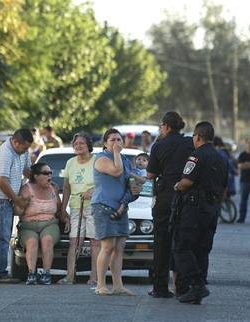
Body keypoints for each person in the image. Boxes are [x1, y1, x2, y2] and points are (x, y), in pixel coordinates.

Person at [173, 121, 228, 304]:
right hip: (212, 208)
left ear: (197, 137)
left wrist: (178, 185)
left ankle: (197, 285)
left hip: (194, 208)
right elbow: (224, 188)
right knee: (202, 249)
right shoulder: (222, 158)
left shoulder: (196, 156)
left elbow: (187, 181)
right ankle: (197, 292)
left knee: (182, 246)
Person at [146, 112, 194, 298]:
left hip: (165, 197)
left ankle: (160, 287)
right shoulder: (189, 144)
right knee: (182, 242)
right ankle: (182, 286)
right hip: (185, 196)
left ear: (165, 126)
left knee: (161, 242)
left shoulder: (159, 146)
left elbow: (150, 174)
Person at [91, 128, 140, 296]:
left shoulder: (125, 159)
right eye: (112, 140)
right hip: (103, 206)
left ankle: (118, 285)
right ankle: (100, 285)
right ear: (105, 143)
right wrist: (116, 153)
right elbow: (116, 171)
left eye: (119, 140)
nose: (117, 143)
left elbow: (130, 181)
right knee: (107, 247)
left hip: (120, 207)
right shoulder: (102, 158)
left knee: (119, 247)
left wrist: (139, 182)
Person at [0, 128, 33, 284]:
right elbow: (2, 181)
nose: (26, 151)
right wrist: (16, 199)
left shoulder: (22, 152)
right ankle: (0, 273)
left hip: (8, 199)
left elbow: (26, 171)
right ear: (15, 142)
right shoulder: (6, 153)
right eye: (24, 148)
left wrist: (39, 181)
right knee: (2, 237)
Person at [14, 163, 70, 285]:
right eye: (45, 173)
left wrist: (66, 219)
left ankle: (46, 273)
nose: (49, 176)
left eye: (50, 173)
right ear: (36, 176)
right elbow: (17, 211)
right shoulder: (26, 189)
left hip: (49, 224)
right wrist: (23, 203)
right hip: (28, 225)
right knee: (32, 242)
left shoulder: (53, 188)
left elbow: (59, 210)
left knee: (47, 240)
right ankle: (32, 273)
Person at [57, 133, 99, 286]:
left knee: (95, 242)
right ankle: (70, 276)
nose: (78, 146)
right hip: (76, 207)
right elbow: (66, 187)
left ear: (88, 145)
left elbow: (104, 182)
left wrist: (92, 191)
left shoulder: (97, 161)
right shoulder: (70, 163)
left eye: (82, 143)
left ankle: (94, 277)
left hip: (94, 206)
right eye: (76, 144)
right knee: (74, 242)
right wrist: (63, 208)